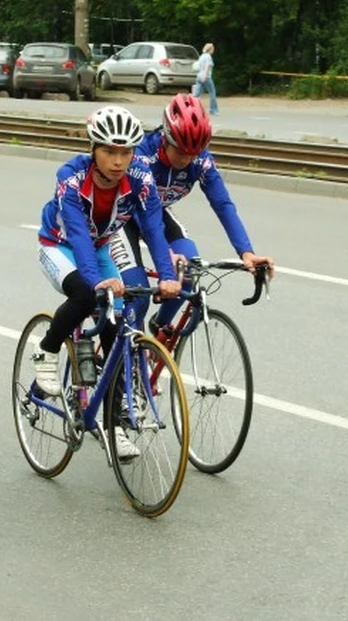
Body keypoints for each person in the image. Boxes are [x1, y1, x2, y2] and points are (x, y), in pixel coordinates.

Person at [34, 106, 181, 460]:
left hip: (99, 246)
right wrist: (99, 281)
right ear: (93, 148)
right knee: (86, 294)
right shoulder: (71, 177)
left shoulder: (140, 178)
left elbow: (154, 230)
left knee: (116, 328)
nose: (118, 161)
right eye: (109, 151)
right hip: (60, 246)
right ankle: (47, 348)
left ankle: (114, 424)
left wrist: (167, 276)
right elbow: (80, 238)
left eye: (126, 152)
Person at [110, 93, 273, 336]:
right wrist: (167, 254)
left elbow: (223, 205)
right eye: (182, 152)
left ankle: (160, 325)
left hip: (157, 214)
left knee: (189, 272)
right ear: (166, 138)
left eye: (194, 153)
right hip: (123, 217)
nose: (188, 159)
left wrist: (246, 252)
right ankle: (125, 367)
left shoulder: (201, 161)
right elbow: (142, 215)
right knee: (137, 293)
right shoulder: (142, 155)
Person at [193, 43, 219, 115]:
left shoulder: (201, 56)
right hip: (206, 77)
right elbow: (207, 66)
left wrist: (201, 75)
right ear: (210, 49)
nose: (213, 50)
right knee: (212, 92)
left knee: (196, 94)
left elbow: (198, 66)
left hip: (199, 76)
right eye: (213, 49)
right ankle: (213, 109)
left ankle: (190, 106)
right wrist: (205, 75)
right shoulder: (208, 57)